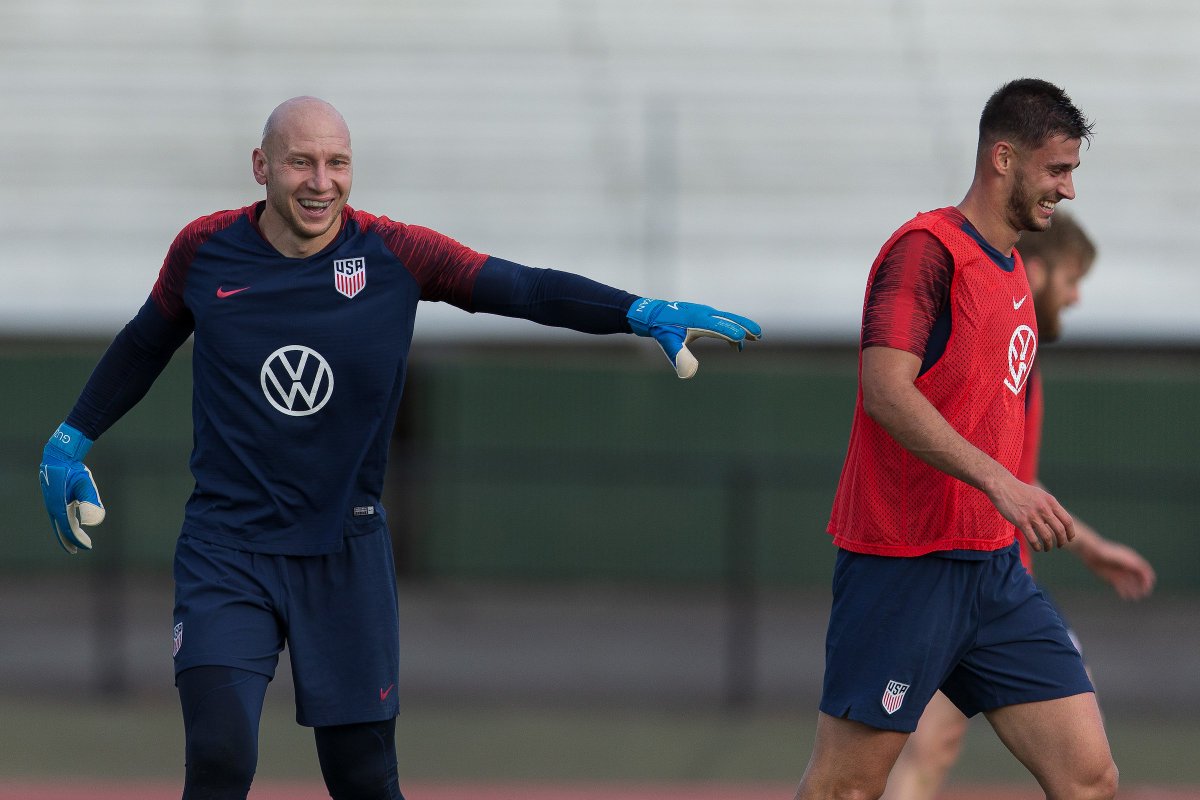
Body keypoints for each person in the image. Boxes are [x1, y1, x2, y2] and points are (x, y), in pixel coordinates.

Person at [37, 96, 761, 800]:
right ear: (261, 165)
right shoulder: (204, 249)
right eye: (301, 163)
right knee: (220, 760)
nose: (321, 182)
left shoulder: (394, 252)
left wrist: (637, 311)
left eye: (337, 163)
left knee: (362, 779)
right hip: (228, 548)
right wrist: (70, 442)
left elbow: (523, 288)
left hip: (345, 554)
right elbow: (143, 343)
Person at [795, 78, 1119, 800]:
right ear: (1003, 158)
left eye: (1072, 172)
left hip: (995, 573)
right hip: (904, 564)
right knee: (846, 788)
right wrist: (1000, 482)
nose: (1067, 190)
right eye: (1056, 170)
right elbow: (885, 391)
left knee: (1090, 778)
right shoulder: (925, 251)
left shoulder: (1013, 276)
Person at [880, 211, 1157, 800]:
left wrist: (1091, 546)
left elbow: (1015, 486)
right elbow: (977, 471)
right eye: (1072, 278)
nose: (1077, 296)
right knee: (897, 762)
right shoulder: (988, 352)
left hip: (1001, 588)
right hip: (958, 579)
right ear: (1034, 270)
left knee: (1081, 774)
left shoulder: (1022, 362)